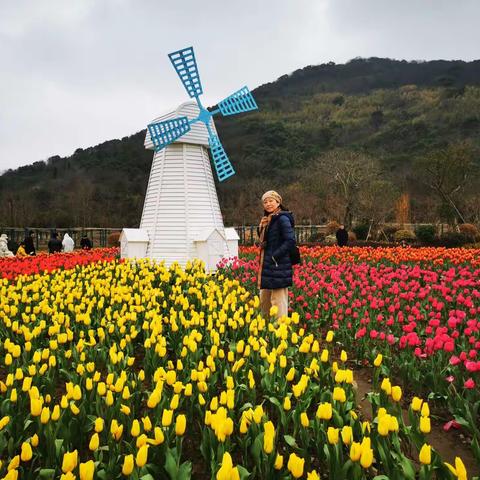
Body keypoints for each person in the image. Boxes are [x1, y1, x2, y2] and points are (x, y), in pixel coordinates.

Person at [257, 190, 296, 320]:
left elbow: (290, 241)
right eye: (265, 202)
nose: (268, 204)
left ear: (278, 202)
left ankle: (281, 332)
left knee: (278, 301)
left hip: (278, 265)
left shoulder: (282, 218)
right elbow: (265, 241)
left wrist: (275, 256)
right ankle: (267, 330)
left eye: (271, 201)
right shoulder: (267, 220)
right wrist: (261, 228)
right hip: (267, 266)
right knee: (265, 300)